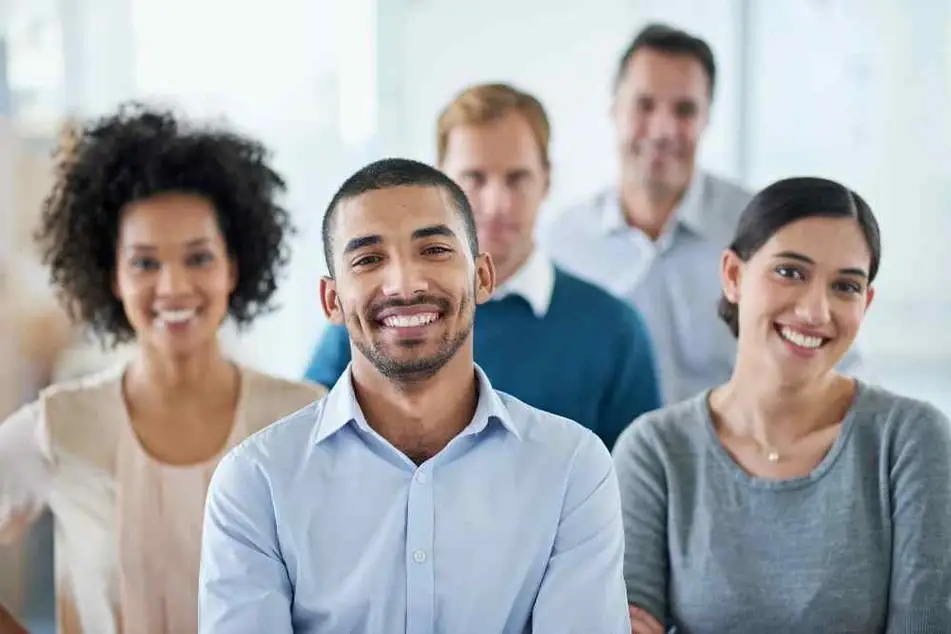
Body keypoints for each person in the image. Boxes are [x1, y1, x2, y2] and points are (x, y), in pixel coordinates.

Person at [198, 158, 630, 633]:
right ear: (331, 300)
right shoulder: (256, 484)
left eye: (434, 250)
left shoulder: (572, 468)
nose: (404, 283)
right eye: (368, 259)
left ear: (483, 278)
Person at [0, 104, 327, 634]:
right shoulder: (61, 423)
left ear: (233, 267)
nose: (173, 287)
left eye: (198, 258)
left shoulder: (306, 418)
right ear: (112, 278)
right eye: (145, 263)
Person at [612, 177, 951, 633]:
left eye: (845, 287)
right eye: (790, 272)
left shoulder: (910, 441)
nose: (815, 311)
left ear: (866, 304)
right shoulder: (655, 451)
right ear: (733, 275)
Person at [304, 83, 660, 448]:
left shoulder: (613, 330)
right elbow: (312, 444)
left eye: (516, 179)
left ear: (547, 179)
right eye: (474, 179)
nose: (495, 204)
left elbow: (627, 491)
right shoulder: (382, 314)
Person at [540, 23, 864, 404]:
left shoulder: (765, 228)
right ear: (614, 108)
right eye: (645, 105)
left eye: (684, 110)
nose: (662, 130)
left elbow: (838, 363)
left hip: (736, 459)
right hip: (606, 459)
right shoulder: (563, 243)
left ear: (707, 118)